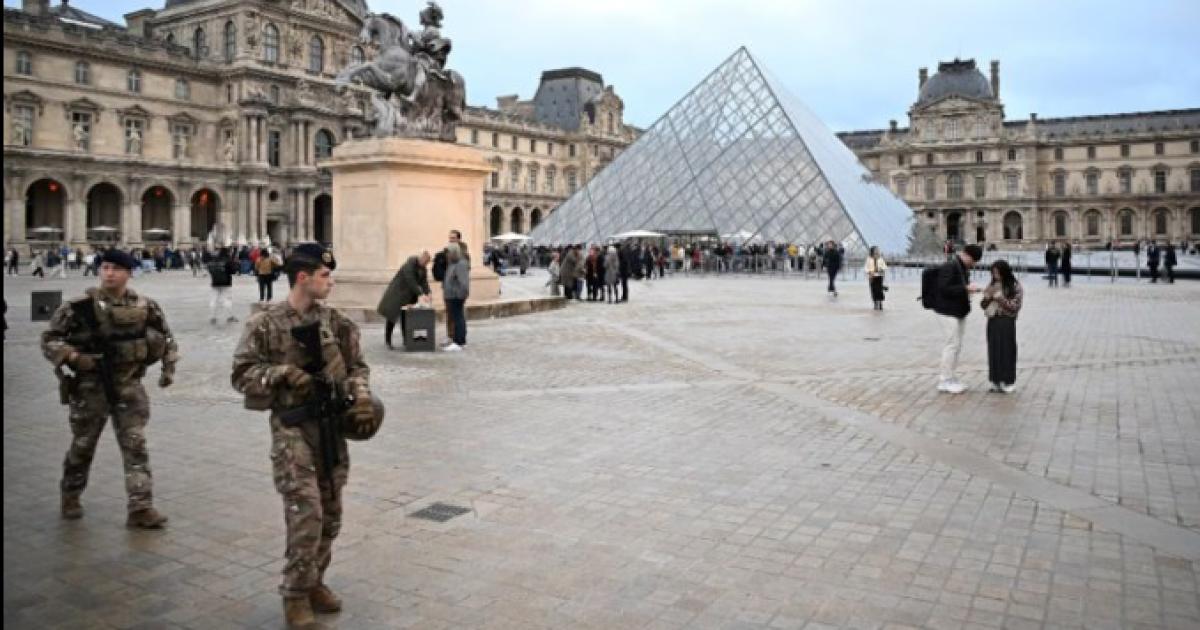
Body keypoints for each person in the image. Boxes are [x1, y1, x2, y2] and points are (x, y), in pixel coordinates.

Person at [231, 243, 377, 629]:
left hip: (332, 430)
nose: (330, 282)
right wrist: (279, 374)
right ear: (303, 277)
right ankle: (294, 595)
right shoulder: (265, 324)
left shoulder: (338, 324)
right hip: (292, 428)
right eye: (325, 275)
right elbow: (241, 374)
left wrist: (361, 398)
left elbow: (358, 368)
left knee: (331, 515)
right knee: (306, 513)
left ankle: (314, 581)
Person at [40, 249, 179, 528]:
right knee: (83, 446)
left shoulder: (144, 305)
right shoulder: (79, 306)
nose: (109, 273)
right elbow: (50, 339)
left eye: (116, 268)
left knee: (135, 446)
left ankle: (140, 507)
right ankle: (71, 494)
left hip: (128, 386)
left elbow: (166, 337)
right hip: (90, 389)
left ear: (128, 272)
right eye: (105, 267)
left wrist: (168, 368)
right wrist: (74, 357)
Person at [933, 244, 983, 394]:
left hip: (957, 311)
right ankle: (944, 380)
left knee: (957, 345)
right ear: (966, 255)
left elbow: (958, 287)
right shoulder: (950, 266)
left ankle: (951, 376)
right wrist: (966, 289)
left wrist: (967, 289)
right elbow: (943, 288)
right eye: (973, 261)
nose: (973, 264)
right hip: (947, 311)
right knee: (952, 345)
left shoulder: (961, 267)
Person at [981, 259, 1023, 394]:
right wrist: (987, 298)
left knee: (1007, 351)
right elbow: (983, 305)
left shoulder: (1015, 285)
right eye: (993, 273)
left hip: (1006, 321)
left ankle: (1008, 381)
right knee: (993, 351)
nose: (995, 275)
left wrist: (1001, 299)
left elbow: (1015, 307)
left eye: (998, 272)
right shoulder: (992, 284)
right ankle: (995, 380)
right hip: (993, 320)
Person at [377, 251, 432, 349]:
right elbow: (411, 281)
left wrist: (428, 292)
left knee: (406, 318)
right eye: (425, 262)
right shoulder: (409, 265)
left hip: (409, 297)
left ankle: (407, 340)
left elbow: (424, 282)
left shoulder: (423, 268)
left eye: (427, 263)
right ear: (421, 259)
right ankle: (388, 340)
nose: (425, 265)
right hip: (398, 294)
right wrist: (421, 294)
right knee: (391, 317)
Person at [432, 230, 464, 345]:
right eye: (450, 238)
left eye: (453, 238)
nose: (451, 240)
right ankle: (450, 335)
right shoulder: (445, 253)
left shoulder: (463, 254)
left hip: (457, 288)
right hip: (447, 287)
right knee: (449, 312)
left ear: (459, 239)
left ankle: (457, 338)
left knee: (456, 313)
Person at [442, 242, 470, 351]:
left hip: (456, 296)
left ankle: (459, 341)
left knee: (458, 319)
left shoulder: (461, 264)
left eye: (448, 252)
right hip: (450, 296)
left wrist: (460, 294)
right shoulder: (451, 263)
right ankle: (457, 340)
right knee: (455, 318)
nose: (447, 255)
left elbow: (463, 283)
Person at [207, 248, 239, 325]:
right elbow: (233, 271)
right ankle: (230, 316)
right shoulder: (228, 260)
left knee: (214, 300)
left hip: (215, 282)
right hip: (226, 283)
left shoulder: (214, 260)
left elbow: (209, 268)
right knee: (226, 299)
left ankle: (213, 317)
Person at [865, 246, 887, 310]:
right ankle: (875, 302)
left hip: (879, 276)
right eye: (876, 250)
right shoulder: (869, 259)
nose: (877, 251)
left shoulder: (881, 259)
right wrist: (869, 272)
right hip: (872, 277)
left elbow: (884, 267)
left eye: (878, 250)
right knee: (873, 290)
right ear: (872, 252)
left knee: (879, 290)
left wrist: (882, 270)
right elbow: (866, 268)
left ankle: (880, 302)